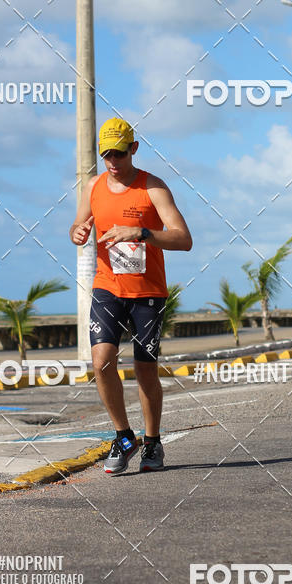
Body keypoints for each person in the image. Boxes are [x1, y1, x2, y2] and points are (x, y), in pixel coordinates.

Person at [69, 118, 192, 474]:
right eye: (105, 154)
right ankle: (124, 437)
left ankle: (152, 442)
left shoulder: (152, 188)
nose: (112, 161)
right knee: (101, 362)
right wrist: (77, 231)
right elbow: (77, 225)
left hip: (147, 293)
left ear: (133, 149)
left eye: (119, 154)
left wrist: (141, 231)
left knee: (145, 370)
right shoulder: (93, 187)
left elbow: (183, 238)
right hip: (107, 286)